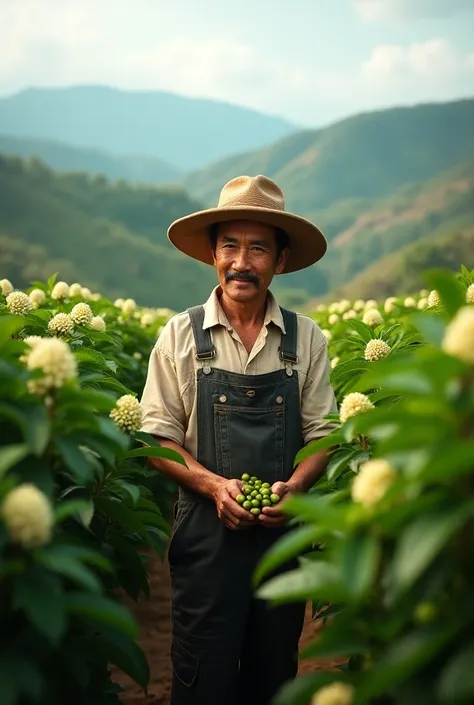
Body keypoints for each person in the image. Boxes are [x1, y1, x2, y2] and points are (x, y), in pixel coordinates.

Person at [139, 174, 338, 705]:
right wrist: (212, 486)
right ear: (212, 254)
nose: (241, 262)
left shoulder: (305, 338)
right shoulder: (181, 336)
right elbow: (156, 438)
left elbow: (323, 434)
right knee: (203, 676)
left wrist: (296, 487)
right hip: (206, 539)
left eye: (257, 248)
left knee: (273, 676)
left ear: (279, 259)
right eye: (230, 245)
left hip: (281, 539)